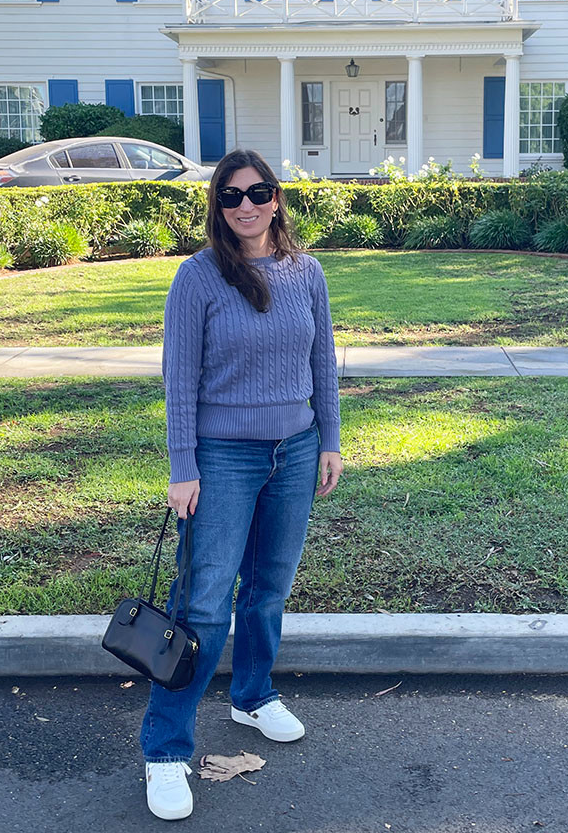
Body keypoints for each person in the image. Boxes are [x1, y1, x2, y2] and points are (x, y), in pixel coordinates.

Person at [140, 148, 343, 821]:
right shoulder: (197, 277)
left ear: (277, 198)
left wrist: (330, 439)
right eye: (231, 196)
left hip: (296, 449)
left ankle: (253, 696)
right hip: (223, 456)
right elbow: (179, 380)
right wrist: (183, 466)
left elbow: (322, 362)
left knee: (268, 589)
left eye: (258, 192)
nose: (246, 205)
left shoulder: (306, 271)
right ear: (218, 207)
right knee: (203, 604)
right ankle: (165, 749)